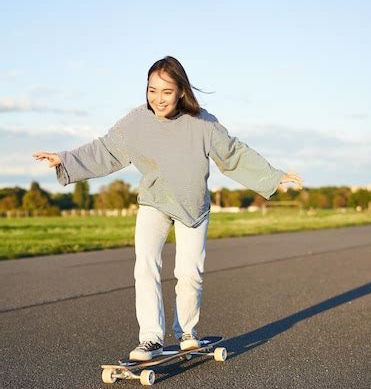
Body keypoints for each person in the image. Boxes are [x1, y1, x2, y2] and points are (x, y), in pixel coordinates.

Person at [33, 56, 303, 360]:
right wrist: (65, 159)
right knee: (145, 265)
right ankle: (150, 338)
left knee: (189, 273)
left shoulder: (203, 123)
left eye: (166, 92)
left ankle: (187, 332)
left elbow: (233, 155)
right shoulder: (136, 122)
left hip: (192, 207)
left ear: (181, 92)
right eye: (152, 90)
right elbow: (106, 149)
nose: (158, 99)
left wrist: (272, 177)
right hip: (154, 202)